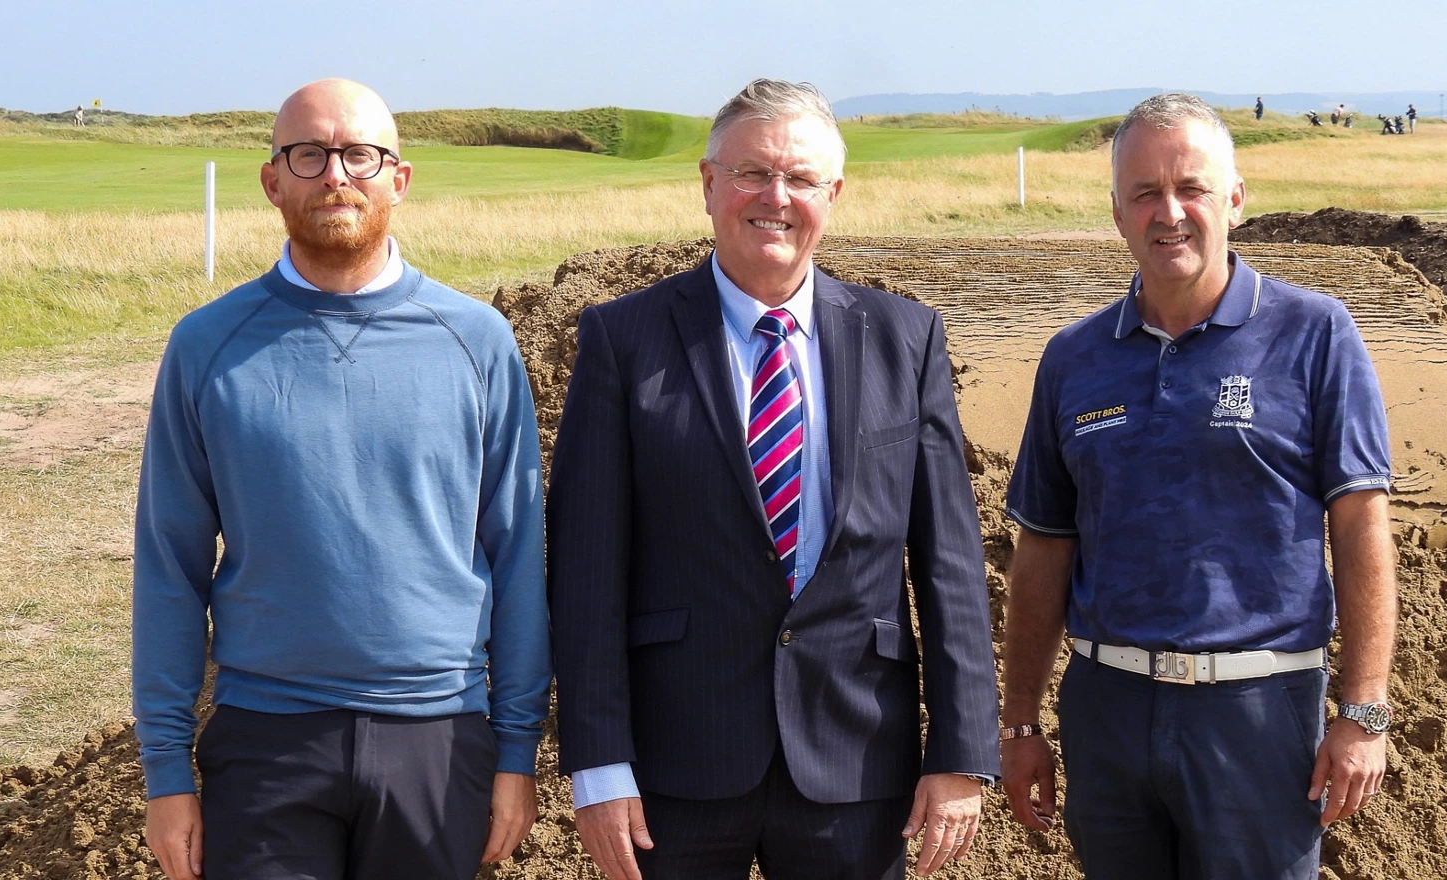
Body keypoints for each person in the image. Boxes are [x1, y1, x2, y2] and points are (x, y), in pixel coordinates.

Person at [549, 77, 1000, 880]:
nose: (775, 197)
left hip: (858, 764)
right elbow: (585, 571)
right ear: (708, 183)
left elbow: (953, 567)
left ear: (834, 193)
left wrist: (962, 750)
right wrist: (598, 762)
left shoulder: (907, 337)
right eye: (752, 172)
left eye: (800, 178)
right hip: (674, 771)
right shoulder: (623, 339)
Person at [132, 78, 549, 880]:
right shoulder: (207, 346)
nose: (335, 175)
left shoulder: (477, 342)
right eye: (310, 154)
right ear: (271, 180)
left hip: (439, 738)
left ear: (399, 178)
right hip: (264, 740)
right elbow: (169, 566)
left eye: (360, 154)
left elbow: (518, 553)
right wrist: (166, 771)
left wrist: (516, 749)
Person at [999, 93, 1398, 879]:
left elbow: (1359, 528)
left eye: (1191, 189)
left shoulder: (1316, 334)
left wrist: (1363, 712)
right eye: (1145, 193)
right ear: (1117, 213)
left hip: (1258, 715)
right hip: (1106, 711)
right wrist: (1018, 726)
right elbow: (1043, 548)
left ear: (1236, 201)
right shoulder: (1073, 358)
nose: (1169, 212)